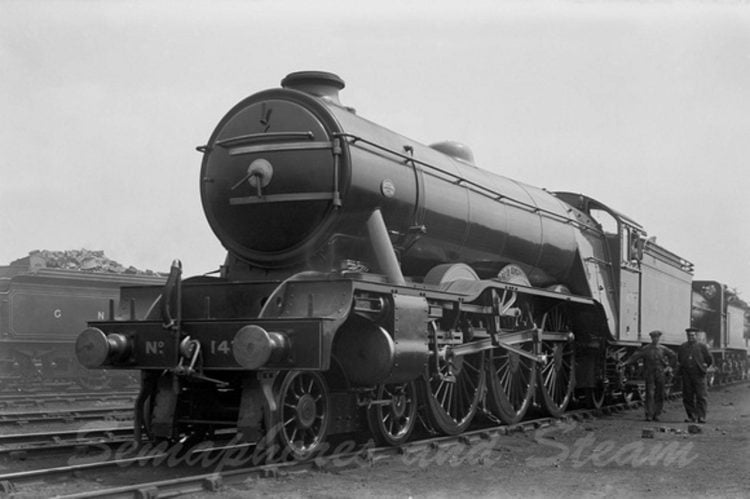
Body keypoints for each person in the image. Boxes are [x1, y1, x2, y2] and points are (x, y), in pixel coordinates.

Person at [621, 330, 677, 421]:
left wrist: (669, 367)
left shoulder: (663, 349)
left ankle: (657, 414)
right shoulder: (646, 349)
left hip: (660, 373)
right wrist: (625, 363)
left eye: (657, 337)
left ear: (659, 338)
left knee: (659, 394)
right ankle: (649, 414)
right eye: (654, 337)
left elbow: (673, 356)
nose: (655, 339)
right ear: (651, 338)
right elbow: (635, 357)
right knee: (649, 394)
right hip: (649, 373)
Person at [677, 327, 713, 423]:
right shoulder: (683, 347)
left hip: (699, 374)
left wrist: (704, 366)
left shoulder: (702, 346)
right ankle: (691, 416)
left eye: (692, 335)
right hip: (687, 374)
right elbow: (679, 358)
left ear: (696, 336)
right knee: (688, 396)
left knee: (701, 396)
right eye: (689, 335)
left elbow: (709, 359)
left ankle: (701, 416)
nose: (691, 337)